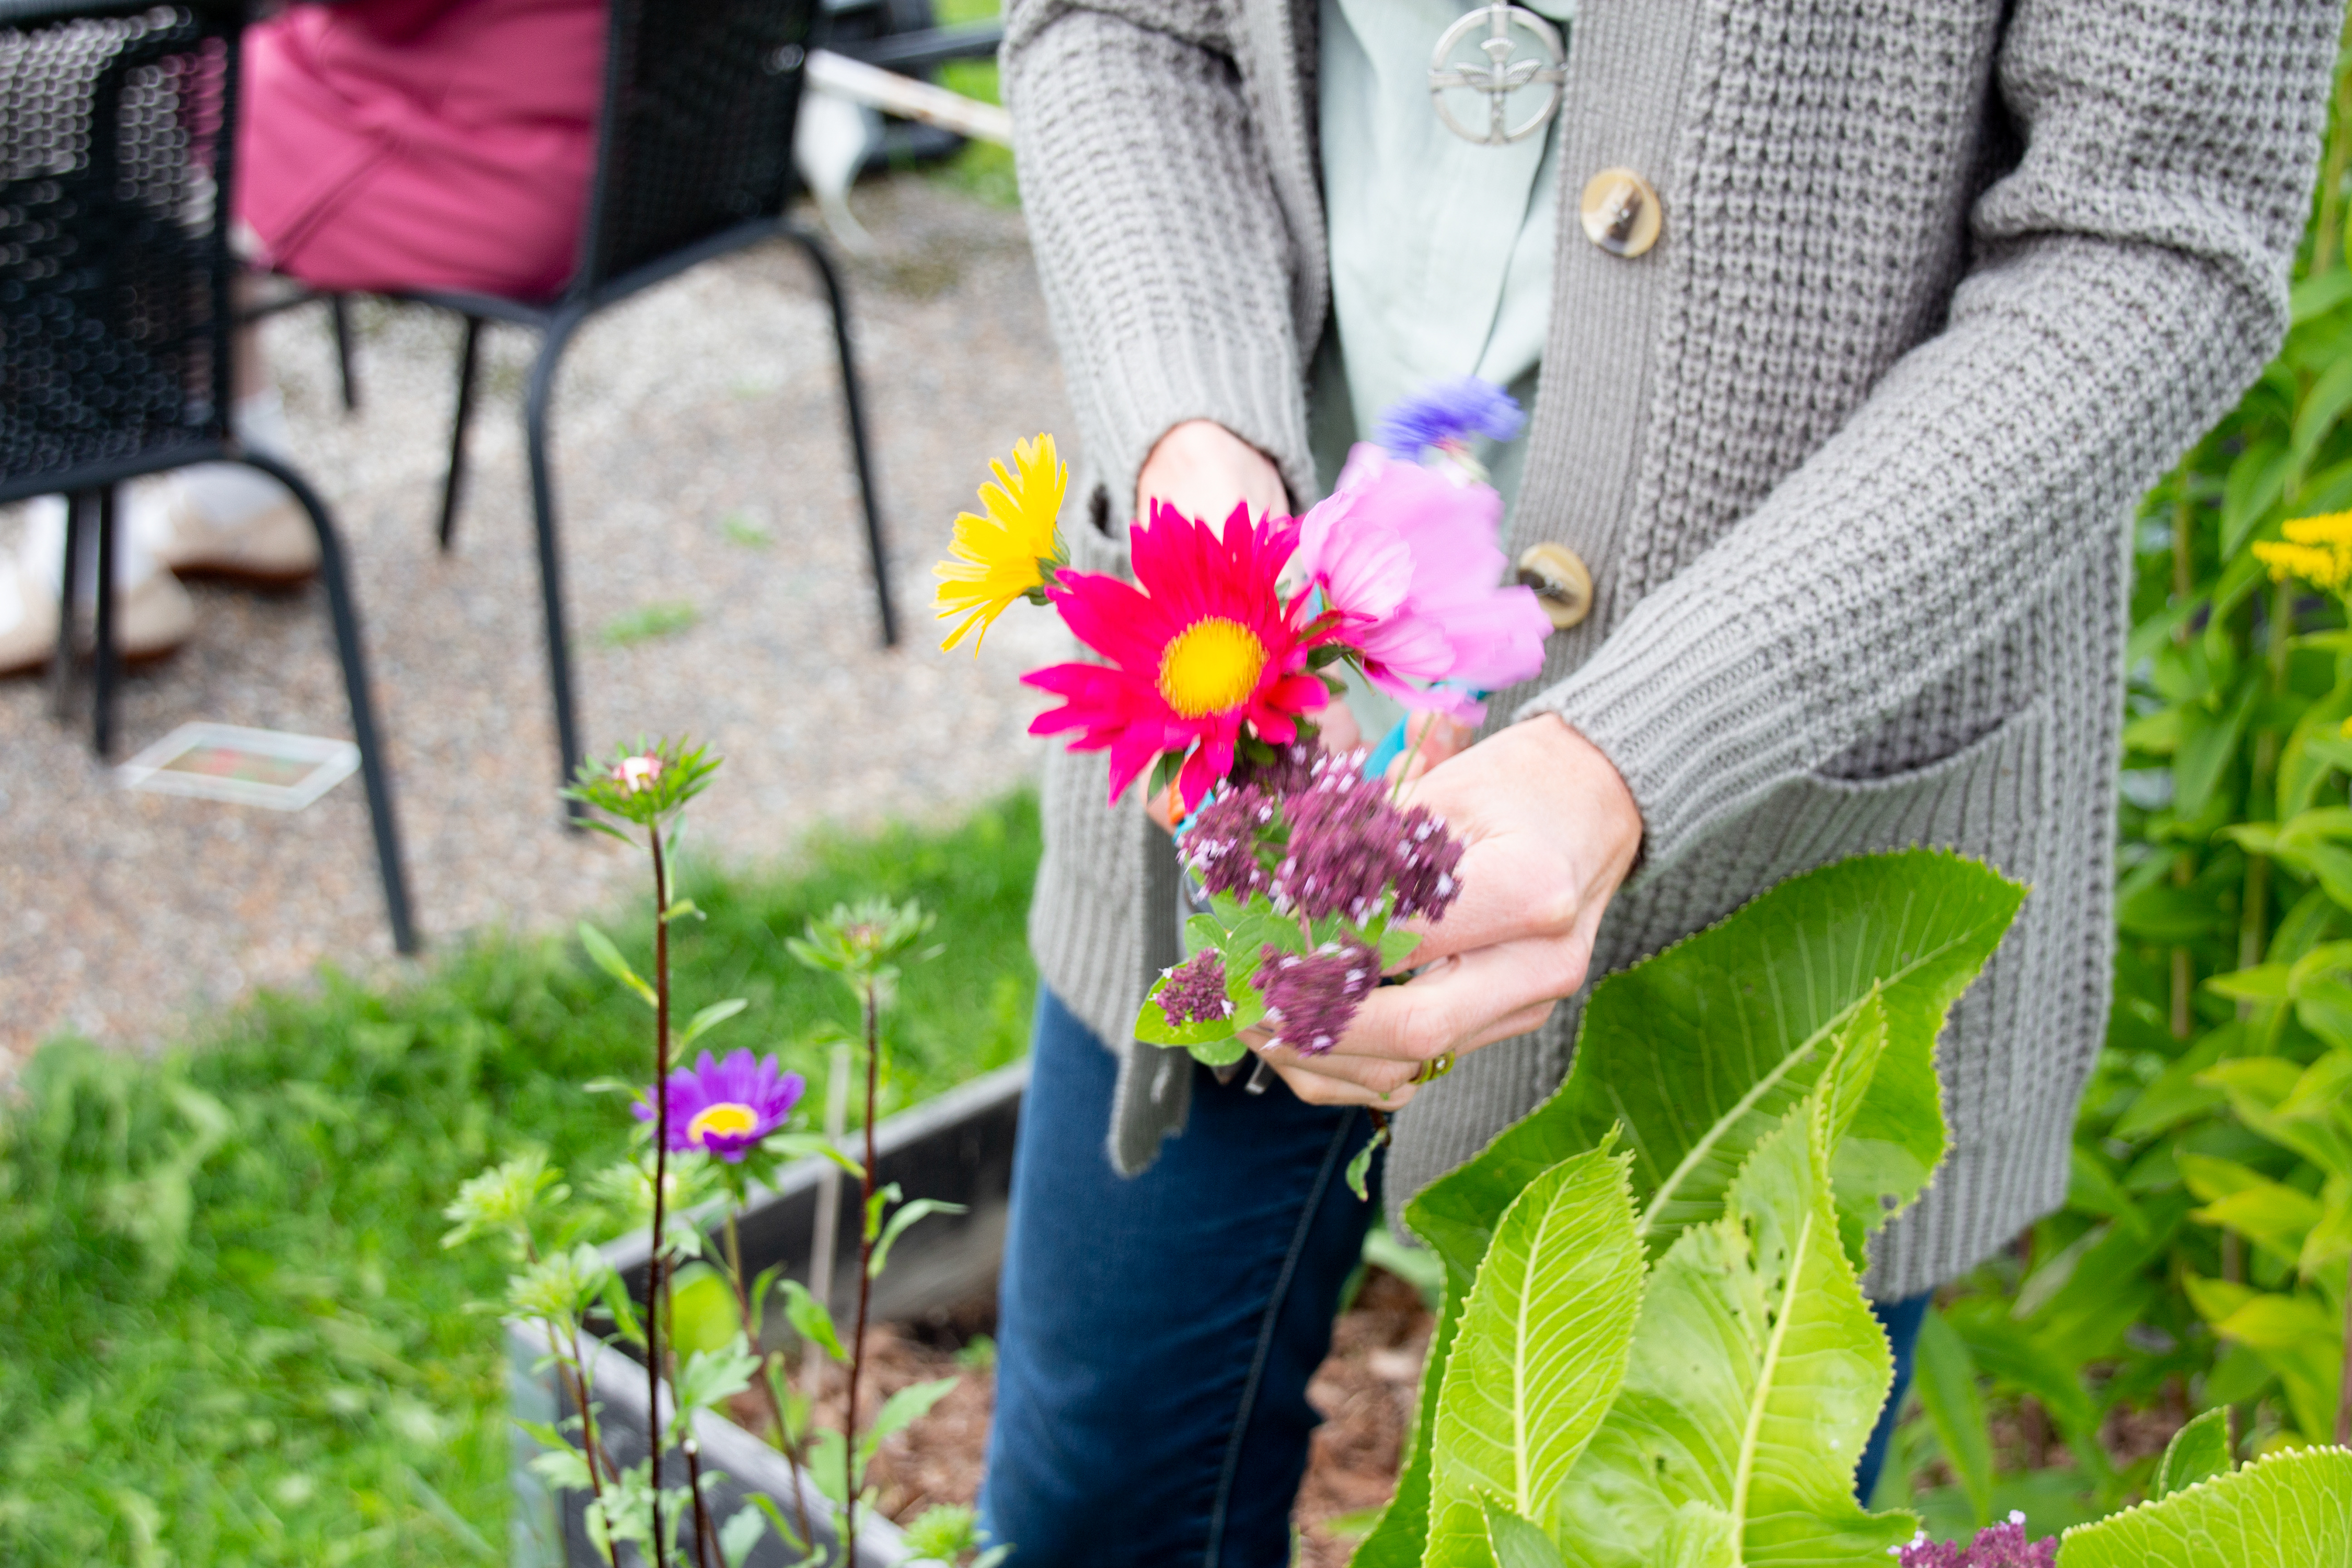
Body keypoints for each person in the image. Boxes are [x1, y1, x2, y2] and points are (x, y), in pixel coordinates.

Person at [976, 1, 2342, 1562]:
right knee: (1097, 1501)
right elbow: (1119, 26)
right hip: (1228, 742)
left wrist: (1638, 748)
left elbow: (2151, 240)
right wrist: (1191, 459)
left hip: (1767, 818)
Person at [0, 0, 606, 676]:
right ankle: (234, 491)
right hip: (615, 146)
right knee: (160, 70)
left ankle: (82, 571)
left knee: (72, 79)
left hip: (461, 157)